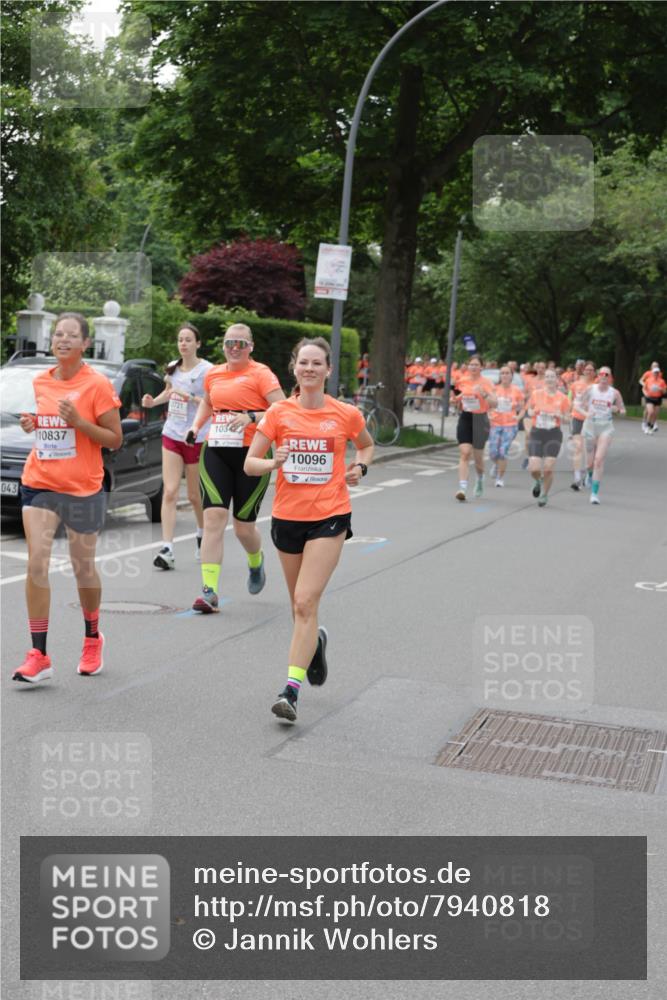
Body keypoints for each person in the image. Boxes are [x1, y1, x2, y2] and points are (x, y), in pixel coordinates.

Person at [244, 337, 374, 723]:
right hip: (287, 518)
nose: (310, 369)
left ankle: (290, 691)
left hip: (329, 516)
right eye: (304, 362)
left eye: (318, 363)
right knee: (300, 607)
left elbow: (366, 447)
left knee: (304, 601)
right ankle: (314, 641)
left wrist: (360, 468)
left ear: (328, 370)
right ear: (294, 367)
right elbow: (251, 463)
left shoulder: (346, 414)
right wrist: (273, 463)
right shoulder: (278, 413)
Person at [13, 313, 122, 683]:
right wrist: (34, 422)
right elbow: (48, 424)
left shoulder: (98, 385)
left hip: (83, 487)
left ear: (85, 343)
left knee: (83, 568)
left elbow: (114, 439)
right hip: (40, 480)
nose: (62, 339)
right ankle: (39, 654)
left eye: (71, 335)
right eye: (58, 333)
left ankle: (92, 637)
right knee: (36, 563)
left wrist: (79, 421)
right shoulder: (41, 380)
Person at [185, 324, 285, 612]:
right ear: (223, 346)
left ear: (251, 346)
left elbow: (283, 408)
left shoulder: (261, 374)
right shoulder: (214, 373)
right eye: (230, 343)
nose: (235, 348)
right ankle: (209, 592)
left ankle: (256, 561)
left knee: (243, 529)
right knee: (214, 517)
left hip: (252, 454)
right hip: (216, 450)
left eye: (241, 343)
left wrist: (251, 417)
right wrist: (195, 426)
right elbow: (207, 402)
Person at [141, 324, 212, 569]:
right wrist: (153, 402)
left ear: (198, 344)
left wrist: (191, 398)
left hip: (196, 436)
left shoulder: (207, 371)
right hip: (172, 433)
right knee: (170, 491)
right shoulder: (172, 367)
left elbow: (213, 402)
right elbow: (169, 392)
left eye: (188, 340)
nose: (183, 344)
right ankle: (167, 548)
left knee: (194, 495)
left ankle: (203, 534)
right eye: (180, 339)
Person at [452, 355, 496, 501]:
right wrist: (455, 400)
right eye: (471, 364)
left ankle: (480, 478)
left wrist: (483, 393)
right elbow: (458, 396)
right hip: (465, 417)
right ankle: (462, 488)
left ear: (481, 367)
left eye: (476, 365)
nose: (473, 367)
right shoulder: (462, 380)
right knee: (464, 452)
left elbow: (494, 403)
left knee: (478, 459)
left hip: (480, 419)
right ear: (468, 366)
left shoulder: (487, 382)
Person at [526, 368, 571, 507]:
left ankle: (544, 494)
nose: (550, 379)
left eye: (552, 376)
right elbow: (529, 410)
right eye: (547, 376)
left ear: (557, 379)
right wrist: (533, 411)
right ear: (544, 379)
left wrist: (561, 416)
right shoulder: (536, 394)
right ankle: (539, 481)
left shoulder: (563, 398)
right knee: (534, 468)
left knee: (548, 467)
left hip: (553, 433)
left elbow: (568, 419)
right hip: (537, 432)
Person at [581, 366, 626, 504]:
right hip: (590, 426)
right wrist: (586, 412)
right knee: (589, 463)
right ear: (598, 376)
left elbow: (623, 410)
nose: (604, 376)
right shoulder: (590, 390)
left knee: (599, 460)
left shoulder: (615, 393)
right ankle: (589, 475)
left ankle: (594, 494)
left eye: (607, 374)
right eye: (602, 374)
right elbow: (579, 405)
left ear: (610, 377)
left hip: (606, 427)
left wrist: (618, 410)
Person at [488, 366, 525, 487]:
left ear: (511, 375)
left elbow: (523, 408)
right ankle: (496, 463)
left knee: (503, 451)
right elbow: (488, 405)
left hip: (510, 425)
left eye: (507, 373)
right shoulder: (494, 389)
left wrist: (518, 417)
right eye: (502, 373)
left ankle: (499, 478)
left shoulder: (517, 390)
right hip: (495, 424)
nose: (504, 375)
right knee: (493, 452)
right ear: (500, 376)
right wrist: (489, 415)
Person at [568, 360, 597, 490]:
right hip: (577, 418)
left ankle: (588, 474)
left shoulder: (597, 386)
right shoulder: (575, 385)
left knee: (589, 450)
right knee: (578, 447)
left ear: (594, 372)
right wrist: (568, 411)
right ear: (583, 371)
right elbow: (570, 399)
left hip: (592, 420)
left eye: (591, 370)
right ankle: (577, 477)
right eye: (586, 370)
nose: (588, 372)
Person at [639, 362, 665, 434]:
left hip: (657, 396)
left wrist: (659, 388)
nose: (655, 367)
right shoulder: (647, 373)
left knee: (655, 413)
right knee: (649, 411)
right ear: (651, 367)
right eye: (654, 366)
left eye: (656, 366)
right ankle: (644, 423)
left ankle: (652, 425)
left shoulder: (660, 376)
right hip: (649, 394)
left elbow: (663, 387)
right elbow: (640, 381)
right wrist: (647, 386)